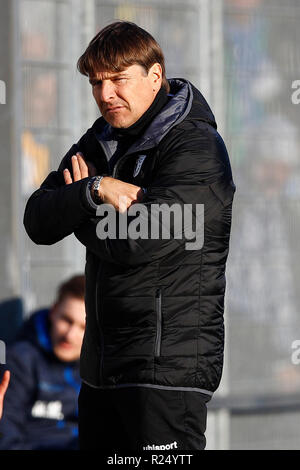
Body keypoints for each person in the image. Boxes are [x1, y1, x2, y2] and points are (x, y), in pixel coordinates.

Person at [23, 21, 236, 451]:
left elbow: (140, 240)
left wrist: (80, 208)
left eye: (118, 80)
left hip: (166, 373)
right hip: (101, 371)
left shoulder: (196, 146)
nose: (105, 95)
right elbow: (38, 221)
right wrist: (95, 189)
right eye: (96, 83)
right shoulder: (101, 140)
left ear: (155, 77)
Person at [0, 275, 85, 450]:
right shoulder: (20, 360)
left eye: (83, 327)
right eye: (66, 320)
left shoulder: (101, 368)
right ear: (53, 311)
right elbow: (7, 436)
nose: (69, 335)